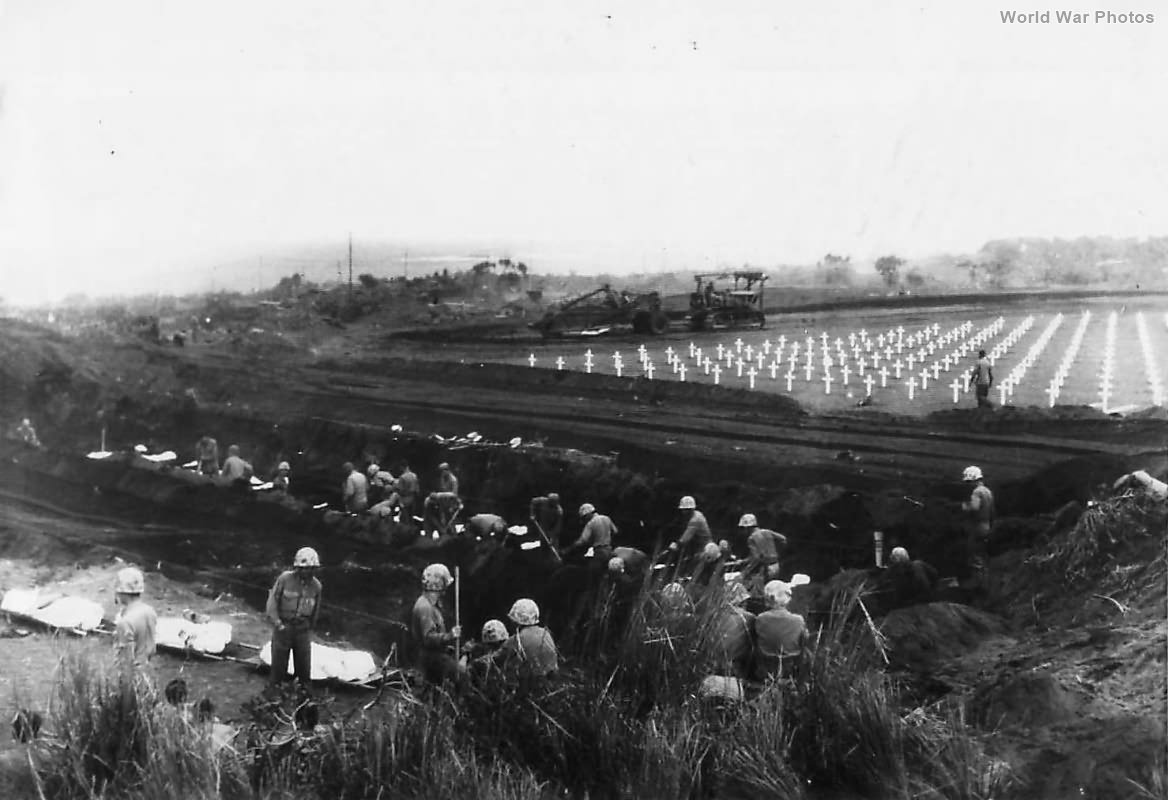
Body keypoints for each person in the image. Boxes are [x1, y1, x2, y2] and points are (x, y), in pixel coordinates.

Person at [265, 547, 322, 691]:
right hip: (284, 627)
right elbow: (272, 602)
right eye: (304, 568)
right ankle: (274, 694)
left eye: (311, 569)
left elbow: (316, 610)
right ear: (297, 567)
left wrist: (309, 628)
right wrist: (278, 623)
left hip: (302, 630)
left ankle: (303, 697)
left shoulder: (316, 586)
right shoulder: (285, 579)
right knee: (278, 667)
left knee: (304, 668)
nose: (307, 572)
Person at [410, 563, 462, 686]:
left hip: (433, 655)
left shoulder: (431, 605)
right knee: (461, 673)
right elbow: (428, 638)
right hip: (429, 658)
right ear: (439, 584)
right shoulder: (425, 607)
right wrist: (449, 636)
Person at [753, 580, 807, 681]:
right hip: (790, 672)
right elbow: (804, 644)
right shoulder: (798, 620)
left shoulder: (760, 619)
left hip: (765, 672)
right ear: (787, 599)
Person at [493, 599, 558, 680]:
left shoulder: (516, 640)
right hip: (551, 682)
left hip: (528, 683)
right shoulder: (546, 634)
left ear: (516, 621)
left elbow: (494, 660)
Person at [708, 581, 755, 678]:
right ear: (743, 601)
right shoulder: (749, 618)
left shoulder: (712, 615)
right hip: (737, 668)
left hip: (713, 667)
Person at [113, 567, 157, 669]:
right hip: (148, 669)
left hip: (133, 673)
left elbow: (125, 661)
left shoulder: (125, 622)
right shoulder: (150, 611)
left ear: (121, 592)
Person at [738, 514, 788, 596]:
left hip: (765, 569)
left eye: (743, 528)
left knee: (759, 592)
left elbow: (756, 558)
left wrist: (746, 572)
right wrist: (777, 551)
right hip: (776, 565)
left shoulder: (751, 538)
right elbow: (783, 539)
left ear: (748, 527)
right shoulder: (767, 532)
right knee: (772, 591)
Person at [961, 466, 995, 580]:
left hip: (977, 528)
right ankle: (986, 579)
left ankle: (978, 582)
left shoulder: (977, 492)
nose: (968, 484)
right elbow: (992, 511)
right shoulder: (988, 491)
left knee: (974, 556)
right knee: (983, 555)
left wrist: (964, 506)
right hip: (987, 526)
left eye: (969, 482)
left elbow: (974, 507)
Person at [669, 495, 711, 575]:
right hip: (696, 547)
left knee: (691, 568)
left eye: (686, 510)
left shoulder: (695, 520)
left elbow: (685, 539)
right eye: (683, 510)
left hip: (703, 548)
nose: (683, 512)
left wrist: (676, 544)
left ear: (691, 509)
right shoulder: (696, 514)